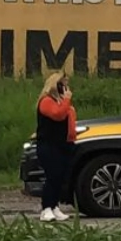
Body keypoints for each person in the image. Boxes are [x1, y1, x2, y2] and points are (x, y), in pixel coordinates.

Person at [36, 72, 78, 222]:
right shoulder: (46, 101)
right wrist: (66, 100)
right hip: (49, 145)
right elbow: (57, 115)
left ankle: (54, 205)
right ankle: (46, 208)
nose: (66, 87)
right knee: (52, 176)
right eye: (63, 84)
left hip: (64, 145)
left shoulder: (64, 103)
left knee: (61, 177)